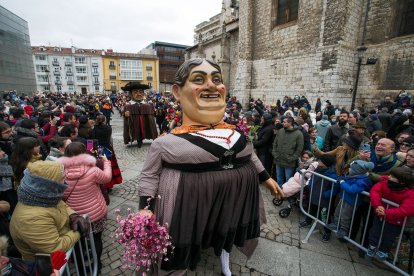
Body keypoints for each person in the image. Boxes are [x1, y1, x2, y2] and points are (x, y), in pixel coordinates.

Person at [138, 58, 282, 275]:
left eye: (216, 79)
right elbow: (149, 176)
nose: (212, 85)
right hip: (188, 206)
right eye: (199, 79)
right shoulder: (163, 143)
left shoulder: (235, 133)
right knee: (182, 243)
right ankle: (177, 269)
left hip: (232, 202)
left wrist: (266, 178)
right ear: (177, 92)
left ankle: (224, 257)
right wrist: (145, 209)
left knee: (225, 234)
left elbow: (250, 155)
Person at [9, 160, 88, 260]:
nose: (66, 180)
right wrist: (78, 231)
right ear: (50, 185)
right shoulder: (31, 219)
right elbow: (55, 248)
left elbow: (61, 204)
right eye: (62, 178)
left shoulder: (43, 197)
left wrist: (73, 216)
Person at [57, 142, 112, 273]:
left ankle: (81, 269)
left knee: (77, 243)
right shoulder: (92, 170)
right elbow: (107, 178)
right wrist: (107, 163)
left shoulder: (60, 173)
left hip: (74, 216)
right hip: (96, 213)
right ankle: (97, 265)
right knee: (97, 239)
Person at [367, 167, 414, 261]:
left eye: (393, 176)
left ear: (402, 182)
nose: (389, 177)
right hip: (380, 215)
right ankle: (372, 246)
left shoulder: (410, 193)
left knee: (388, 237)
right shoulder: (384, 182)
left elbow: (406, 209)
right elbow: (375, 191)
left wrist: (386, 212)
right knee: (374, 232)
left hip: (395, 221)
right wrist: (378, 206)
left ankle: (383, 251)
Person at [327, 160, 374, 240]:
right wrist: (342, 179)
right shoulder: (353, 177)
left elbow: (352, 189)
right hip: (344, 197)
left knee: (345, 216)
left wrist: (342, 182)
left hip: (351, 201)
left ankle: (343, 230)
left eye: (351, 169)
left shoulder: (362, 181)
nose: (349, 170)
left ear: (356, 171)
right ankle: (336, 223)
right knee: (337, 212)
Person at [299, 154, 338, 242]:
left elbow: (335, 188)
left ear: (325, 163)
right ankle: (308, 221)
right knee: (311, 209)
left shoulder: (332, 175)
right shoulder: (317, 169)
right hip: (314, 195)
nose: (318, 161)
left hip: (324, 200)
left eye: (320, 161)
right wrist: (309, 186)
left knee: (325, 216)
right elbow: (312, 178)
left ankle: (327, 232)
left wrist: (326, 194)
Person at [90, 115, 123, 189]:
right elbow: (110, 139)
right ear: (104, 120)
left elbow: (91, 140)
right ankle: (109, 183)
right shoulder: (108, 128)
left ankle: (104, 184)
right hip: (108, 148)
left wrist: (90, 151)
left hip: (98, 149)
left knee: (102, 166)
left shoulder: (93, 129)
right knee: (108, 165)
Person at [122, 82, 158, 147]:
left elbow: (153, 117)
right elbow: (125, 116)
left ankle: (149, 137)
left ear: (143, 93)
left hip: (144, 123)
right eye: (135, 92)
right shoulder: (128, 106)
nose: (138, 94)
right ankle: (137, 139)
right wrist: (125, 115)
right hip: (134, 123)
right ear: (131, 94)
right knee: (136, 130)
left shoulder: (148, 105)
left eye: (141, 92)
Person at [272, 116, 304, 186]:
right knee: (279, 178)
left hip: (289, 162)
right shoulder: (281, 131)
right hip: (279, 159)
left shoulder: (298, 134)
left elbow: (299, 149)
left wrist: (292, 158)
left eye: (284, 122)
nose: (282, 123)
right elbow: (275, 143)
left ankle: (287, 195)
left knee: (288, 180)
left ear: (290, 123)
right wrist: (275, 154)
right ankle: (280, 194)